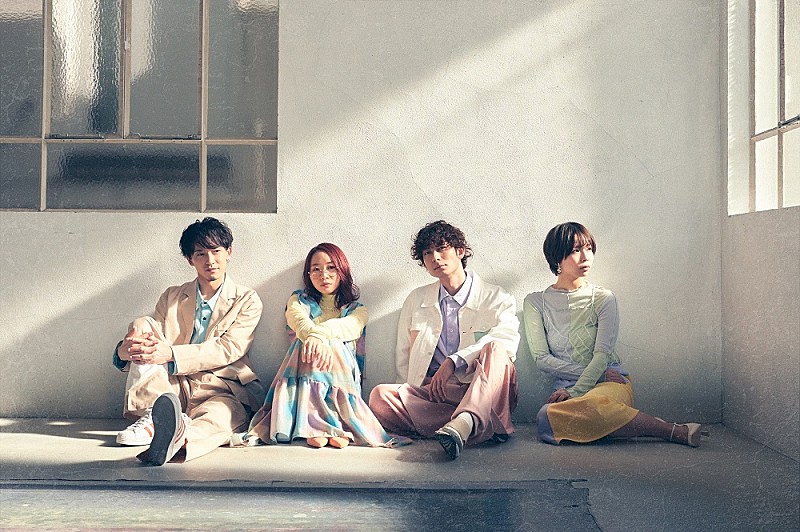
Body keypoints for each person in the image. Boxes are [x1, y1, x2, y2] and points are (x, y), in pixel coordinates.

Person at [523, 221, 708, 447]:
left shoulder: (603, 298)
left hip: (612, 381)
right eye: (576, 250)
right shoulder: (536, 302)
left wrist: (583, 388)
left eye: (589, 249)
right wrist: (588, 382)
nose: (586, 257)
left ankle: (673, 431)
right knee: (546, 416)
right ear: (556, 258)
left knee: (595, 407)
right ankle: (628, 421)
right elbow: (542, 359)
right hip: (573, 384)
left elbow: (602, 355)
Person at [112, 217, 265, 465]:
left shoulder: (246, 299)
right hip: (172, 384)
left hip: (222, 387)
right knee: (142, 324)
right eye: (201, 254)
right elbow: (152, 343)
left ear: (229, 252)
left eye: (216, 251)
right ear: (190, 259)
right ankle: (153, 415)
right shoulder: (172, 296)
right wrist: (122, 353)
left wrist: (172, 354)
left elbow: (229, 348)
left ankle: (178, 439)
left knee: (218, 418)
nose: (210, 260)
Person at [369, 221, 520, 460]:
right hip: (438, 396)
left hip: (484, 387)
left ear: (460, 251)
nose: (435, 258)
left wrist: (454, 361)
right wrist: (407, 393)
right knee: (380, 396)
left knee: (496, 348)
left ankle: (466, 422)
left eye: (441, 249)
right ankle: (477, 426)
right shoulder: (416, 299)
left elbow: (508, 339)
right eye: (428, 253)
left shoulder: (497, 297)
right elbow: (404, 355)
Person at [235, 243, 407, 448]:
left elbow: (348, 327)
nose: (324, 275)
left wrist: (319, 337)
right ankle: (317, 425)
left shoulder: (357, 310)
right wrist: (314, 338)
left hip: (342, 372)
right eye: (316, 269)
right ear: (308, 275)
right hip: (303, 366)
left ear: (342, 270)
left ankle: (332, 424)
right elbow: (297, 320)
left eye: (331, 267)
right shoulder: (298, 300)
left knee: (334, 344)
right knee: (305, 341)